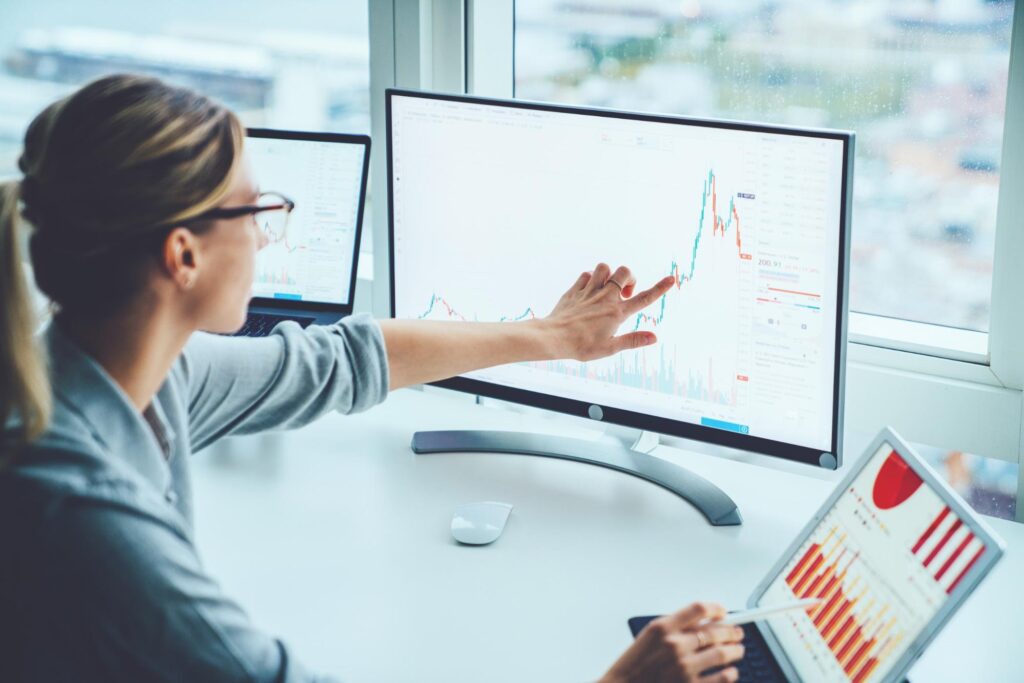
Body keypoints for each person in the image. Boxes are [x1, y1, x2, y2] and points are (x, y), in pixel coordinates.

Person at [0, 74, 745, 682]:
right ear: (182, 255)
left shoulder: (122, 372)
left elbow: (340, 360)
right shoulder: (83, 512)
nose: (266, 233)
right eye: (255, 211)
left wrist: (549, 336)